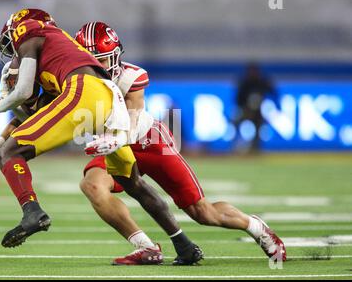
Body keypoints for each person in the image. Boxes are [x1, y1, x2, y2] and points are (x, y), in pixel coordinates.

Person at [0, 9, 202, 265]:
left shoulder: (29, 31)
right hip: (106, 99)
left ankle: (32, 212)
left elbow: (25, 90)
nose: (12, 52)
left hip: (86, 93)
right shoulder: (59, 57)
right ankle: (183, 244)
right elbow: (34, 119)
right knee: (132, 182)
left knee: (12, 154)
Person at [77, 22, 287, 263]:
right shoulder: (73, 79)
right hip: (112, 145)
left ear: (115, 57)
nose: (95, 67)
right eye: (88, 61)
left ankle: (255, 226)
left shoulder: (131, 76)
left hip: (147, 141)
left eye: (100, 61)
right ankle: (145, 247)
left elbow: (131, 127)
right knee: (91, 185)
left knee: (202, 212)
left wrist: (111, 139)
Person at [236, 62, 277, 152]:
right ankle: (237, 146)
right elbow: (238, 99)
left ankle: (255, 148)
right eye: (251, 71)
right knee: (236, 122)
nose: (253, 73)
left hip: (260, 112)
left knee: (259, 127)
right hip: (246, 111)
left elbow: (274, 95)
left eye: (254, 71)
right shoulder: (245, 83)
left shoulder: (262, 82)